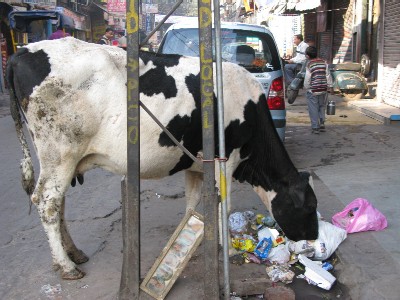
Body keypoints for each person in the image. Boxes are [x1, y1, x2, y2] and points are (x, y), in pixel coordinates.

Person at [303, 46, 333, 134]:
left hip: (313, 90)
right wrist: (330, 86)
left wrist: (307, 87)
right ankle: (322, 123)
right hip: (323, 88)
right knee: (321, 106)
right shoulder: (324, 62)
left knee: (313, 108)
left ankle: (315, 127)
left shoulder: (309, 64)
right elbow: (328, 75)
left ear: (308, 56)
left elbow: (307, 78)